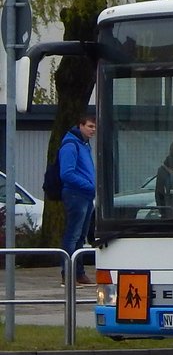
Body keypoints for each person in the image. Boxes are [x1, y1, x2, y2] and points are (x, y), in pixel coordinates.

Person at [59, 110, 97, 285]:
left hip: (86, 195)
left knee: (80, 235)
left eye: (94, 127)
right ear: (80, 126)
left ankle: (78, 272)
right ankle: (68, 273)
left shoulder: (84, 144)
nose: (93, 130)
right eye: (90, 126)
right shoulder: (71, 145)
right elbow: (66, 173)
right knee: (73, 234)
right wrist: (89, 185)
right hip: (77, 194)